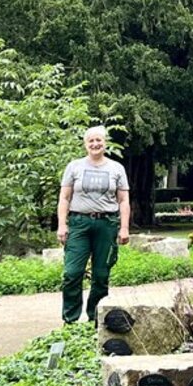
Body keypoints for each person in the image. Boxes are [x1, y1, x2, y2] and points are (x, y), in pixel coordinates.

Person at [57, 125, 130, 323]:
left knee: (101, 274)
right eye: (91, 141)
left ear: (105, 143)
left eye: (99, 140)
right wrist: (62, 225)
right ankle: (70, 320)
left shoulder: (116, 168)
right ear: (85, 144)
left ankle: (95, 318)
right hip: (79, 223)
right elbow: (64, 198)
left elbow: (123, 200)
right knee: (72, 273)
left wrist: (124, 228)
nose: (95, 144)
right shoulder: (74, 166)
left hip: (106, 224)